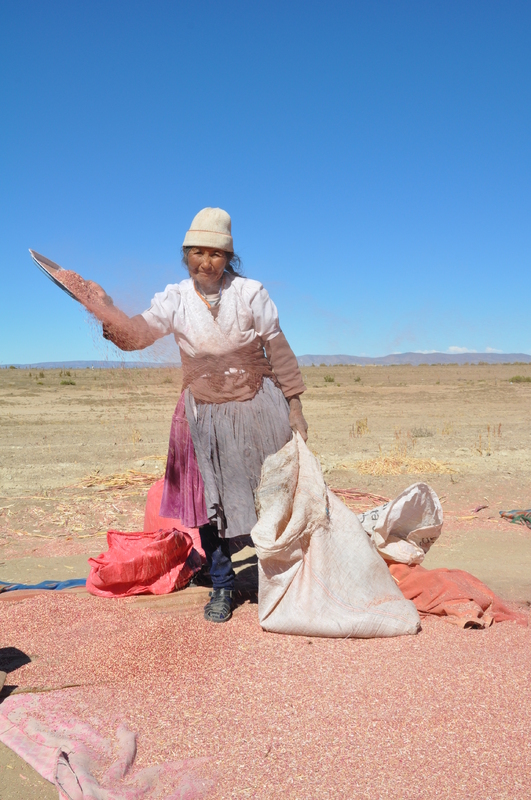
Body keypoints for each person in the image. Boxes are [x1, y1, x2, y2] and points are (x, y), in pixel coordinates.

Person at [83, 208, 308, 623]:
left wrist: (294, 405)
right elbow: (136, 336)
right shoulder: (174, 298)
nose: (206, 262)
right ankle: (222, 587)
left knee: (272, 493)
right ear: (186, 255)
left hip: (258, 405)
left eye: (217, 254)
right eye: (198, 253)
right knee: (209, 501)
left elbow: (277, 348)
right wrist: (104, 310)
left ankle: (278, 576)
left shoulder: (251, 293)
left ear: (230, 259)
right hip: (200, 412)